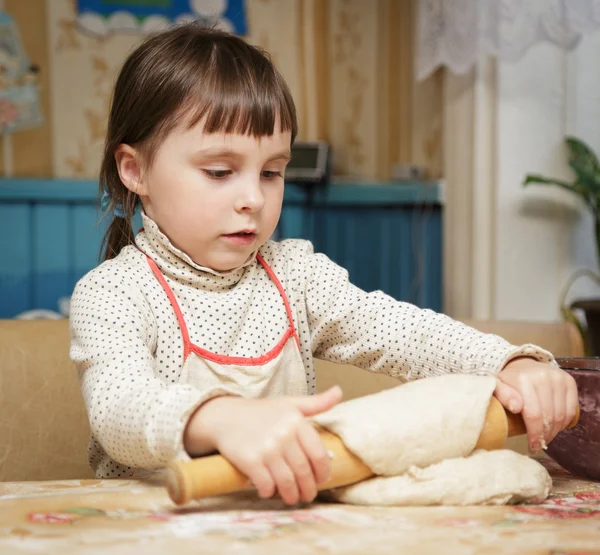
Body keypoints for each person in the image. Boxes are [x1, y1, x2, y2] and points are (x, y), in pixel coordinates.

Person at [70, 23, 578, 506]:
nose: (252, 197)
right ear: (135, 170)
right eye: (220, 171)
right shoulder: (115, 292)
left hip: (284, 524)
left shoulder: (296, 277)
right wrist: (220, 419)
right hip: (156, 527)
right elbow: (119, 407)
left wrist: (509, 363)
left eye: (272, 172)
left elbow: (404, 333)